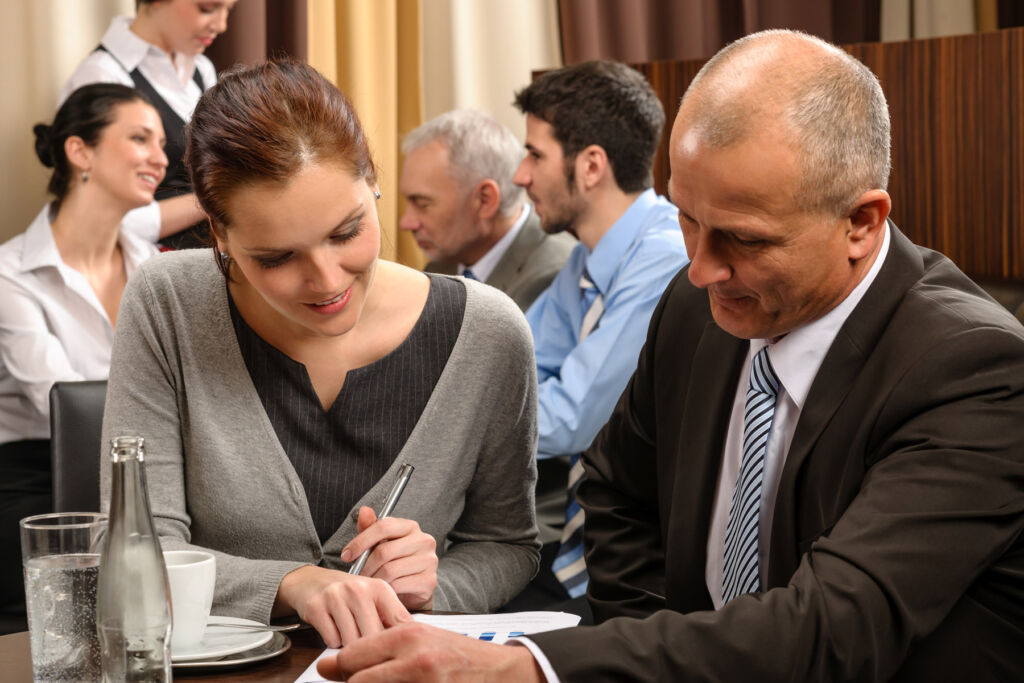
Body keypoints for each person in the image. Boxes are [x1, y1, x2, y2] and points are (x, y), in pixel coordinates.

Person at [316, 29, 1024, 682]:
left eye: (743, 239)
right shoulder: (700, 307)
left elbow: (829, 628)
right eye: (687, 216)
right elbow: (617, 487)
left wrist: (524, 668)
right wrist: (652, 654)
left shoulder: (975, 373)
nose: (699, 268)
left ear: (862, 223)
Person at [99, 59, 541, 649]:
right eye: (277, 259)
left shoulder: (490, 334)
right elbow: (136, 554)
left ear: (373, 181)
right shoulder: (169, 303)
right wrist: (294, 585)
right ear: (220, 235)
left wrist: (435, 586)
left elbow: (508, 546)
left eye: (346, 231)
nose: (327, 280)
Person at [504, 60, 688, 612]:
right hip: (586, 547)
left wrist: (469, 427)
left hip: (643, 569)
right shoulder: (590, 258)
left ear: (590, 166)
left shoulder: (663, 259)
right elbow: (517, 371)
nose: (521, 174)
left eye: (535, 154)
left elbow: (566, 421)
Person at [0, 83, 165, 630]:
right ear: (80, 152)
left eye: (162, 142)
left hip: (141, 468)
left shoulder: (157, 270)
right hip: (35, 476)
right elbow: (62, 406)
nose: (161, 158)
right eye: (140, 138)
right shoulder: (10, 273)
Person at [61, 0, 237, 247]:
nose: (221, 25)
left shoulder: (201, 68)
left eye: (228, 10)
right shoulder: (103, 76)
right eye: (206, 8)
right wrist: (217, 200)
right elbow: (100, 217)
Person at [399, 109, 575, 311]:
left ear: (485, 200)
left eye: (422, 204)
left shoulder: (551, 276)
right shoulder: (440, 266)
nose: (406, 223)